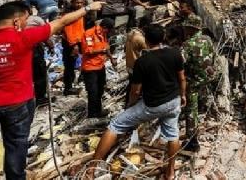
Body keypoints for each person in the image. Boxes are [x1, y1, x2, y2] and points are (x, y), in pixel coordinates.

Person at [0, 0, 102, 179]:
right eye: (25, 20)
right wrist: (88, 8)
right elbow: (61, 22)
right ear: (16, 21)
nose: (25, 24)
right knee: (16, 149)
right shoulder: (23, 37)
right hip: (17, 105)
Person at [92, 25, 185, 180]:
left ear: (146, 40)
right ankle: (170, 172)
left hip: (153, 105)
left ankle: (91, 169)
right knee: (173, 135)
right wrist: (183, 95)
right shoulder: (175, 53)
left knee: (115, 125)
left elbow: (135, 91)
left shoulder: (142, 61)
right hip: (173, 101)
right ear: (163, 38)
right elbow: (181, 78)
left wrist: (130, 105)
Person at [180, 13, 215, 152]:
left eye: (186, 27)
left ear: (191, 28)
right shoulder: (207, 39)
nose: (184, 30)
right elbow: (212, 55)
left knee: (190, 110)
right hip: (207, 77)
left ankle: (192, 142)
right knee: (197, 104)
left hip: (193, 81)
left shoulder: (188, 44)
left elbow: (180, 64)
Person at [80, 18, 116, 118]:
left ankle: (98, 111)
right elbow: (88, 51)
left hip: (100, 66)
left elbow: (106, 47)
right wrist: (102, 50)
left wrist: (111, 58)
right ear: (104, 27)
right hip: (90, 68)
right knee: (93, 92)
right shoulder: (89, 34)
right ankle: (92, 114)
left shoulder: (103, 34)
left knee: (100, 90)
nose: (109, 32)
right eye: (108, 30)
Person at [26, 14, 54, 106]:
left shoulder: (13, 20)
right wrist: (51, 46)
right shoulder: (36, 19)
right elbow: (45, 33)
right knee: (39, 74)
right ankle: (40, 98)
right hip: (34, 48)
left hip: (21, 50)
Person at [61, 0, 86, 96]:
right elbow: (69, 31)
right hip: (70, 43)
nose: (79, 4)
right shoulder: (69, 14)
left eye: (81, 2)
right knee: (69, 65)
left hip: (79, 40)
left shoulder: (80, 13)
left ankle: (81, 77)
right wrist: (74, 46)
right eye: (77, 2)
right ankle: (68, 88)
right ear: (72, 3)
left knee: (84, 59)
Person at [124, 20, 148, 103]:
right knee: (137, 88)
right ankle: (132, 104)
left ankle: (128, 103)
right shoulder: (140, 38)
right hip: (136, 66)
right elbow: (149, 50)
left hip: (130, 65)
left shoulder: (131, 34)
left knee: (131, 85)